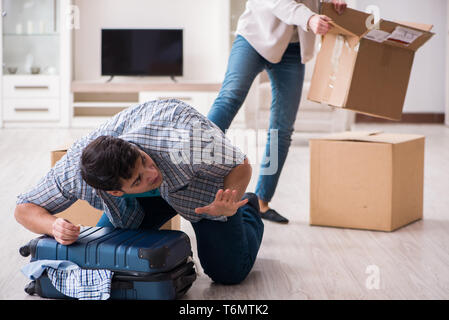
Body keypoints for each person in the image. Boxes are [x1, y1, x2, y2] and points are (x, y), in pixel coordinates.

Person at [14, 99, 264, 285]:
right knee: (108, 257)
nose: (151, 173)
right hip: (137, 208)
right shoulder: (74, 173)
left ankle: (249, 208)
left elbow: (241, 164)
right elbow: (24, 208)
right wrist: (53, 225)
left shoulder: (186, 138)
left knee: (228, 273)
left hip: (203, 193)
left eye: (143, 160)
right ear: (114, 192)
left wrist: (231, 198)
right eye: (137, 179)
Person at [207, 0, 346, 223]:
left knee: (283, 127)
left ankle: (262, 201)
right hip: (254, 37)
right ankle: (191, 166)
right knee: (229, 99)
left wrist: (326, 4)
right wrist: (310, 18)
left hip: (292, 49)